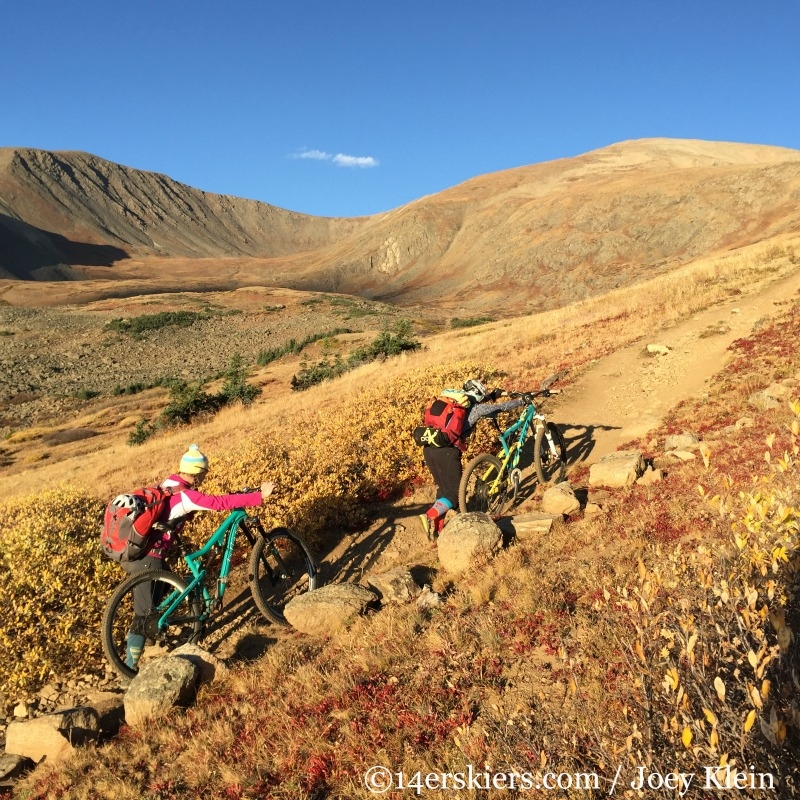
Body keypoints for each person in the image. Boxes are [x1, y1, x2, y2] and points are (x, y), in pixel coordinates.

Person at [121, 443, 274, 671]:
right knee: (144, 614)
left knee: (153, 604)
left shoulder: (169, 483)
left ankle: (152, 639)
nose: (203, 478)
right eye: (203, 473)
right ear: (198, 473)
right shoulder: (186, 495)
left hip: (143, 552)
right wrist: (257, 496)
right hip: (147, 556)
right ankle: (128, 669)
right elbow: (217, 503)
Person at [418, 379, 525, 540]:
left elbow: (476, 402)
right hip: (447, 452)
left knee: (444, 489)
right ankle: (429, 516)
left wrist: (492, 395)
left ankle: (437, 530)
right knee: (453, 494)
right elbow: (499, 408)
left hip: (429, 448)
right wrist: (521, 401)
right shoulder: (475, 408)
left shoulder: (454, 402)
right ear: (478, 395)